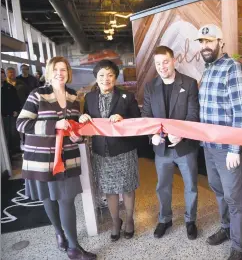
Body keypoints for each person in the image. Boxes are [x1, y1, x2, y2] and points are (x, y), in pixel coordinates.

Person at [16, 56, 96, 260]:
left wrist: (79, 134)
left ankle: (73, 248)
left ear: (68, 73)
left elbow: (76, 127)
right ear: (49, 72)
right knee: (48, 197)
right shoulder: (37, 95)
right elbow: (22, 124)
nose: (60, 73)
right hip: (40, 157)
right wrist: (54, 126)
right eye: (56, 69)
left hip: (67, 156)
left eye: (64, 69)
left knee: (67, 199)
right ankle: (60, 234)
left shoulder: (74, 96)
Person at [196, 24, 242, 260]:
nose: (205, 46)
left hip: (227, 149)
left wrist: (235, 148)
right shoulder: (207, 70)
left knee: (234, 198)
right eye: (201, 42)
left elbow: (240, 112)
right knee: (218, 191)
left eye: (209, 41)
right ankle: (226, 229)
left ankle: (239, 248)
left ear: (221, 42)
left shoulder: (232, 68)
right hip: (208, 147)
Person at [141, 46, 200, 240]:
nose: (162, 67)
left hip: (185, 146)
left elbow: (193, 113)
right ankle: (165, 219)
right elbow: (146, 116)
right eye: (158, 63)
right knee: (162, 186)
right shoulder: (150, 87)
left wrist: (181, 134)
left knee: (191, 184)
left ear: (173, 60)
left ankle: (190, 220)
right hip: (161, 148)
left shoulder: (189, 84)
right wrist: (152, 136)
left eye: (165, 62)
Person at [79, 60, 141, 242]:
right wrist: (82, 117)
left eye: (110, 75)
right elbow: (86, 121)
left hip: (124, 150)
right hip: (101, 152)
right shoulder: (89, 98)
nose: (106, 79)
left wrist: (123, 118)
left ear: (115, 77)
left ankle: (129, 220)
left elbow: (137, 121)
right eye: (101, 75)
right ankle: (115, 222)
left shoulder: (126, 97)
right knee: (109, 190)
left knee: (128, 187)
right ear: (96, 78)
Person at [1, 68, 21, 157]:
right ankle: (7, 152)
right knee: (4, 134)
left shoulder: (9, 87)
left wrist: (17, 110)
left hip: (11, 114)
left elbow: (16, 100)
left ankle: (15, 150)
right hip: (2, 115)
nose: (1, 78)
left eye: (2, 76)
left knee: (13, 132)